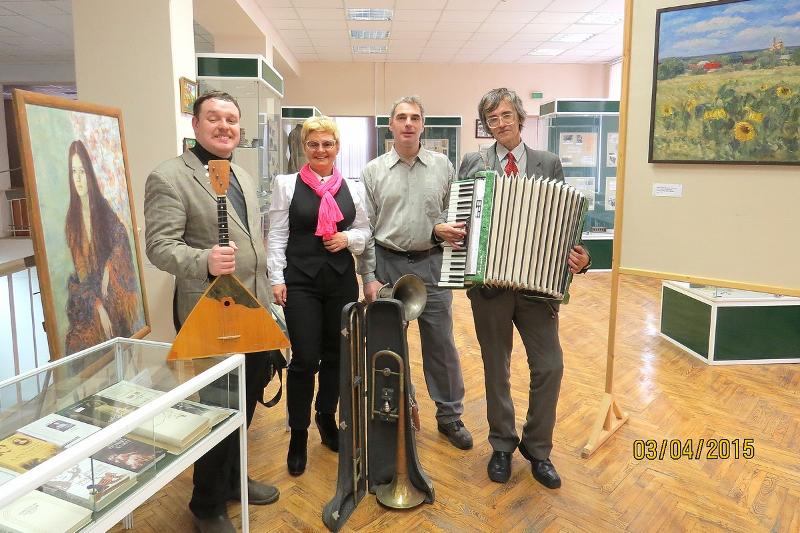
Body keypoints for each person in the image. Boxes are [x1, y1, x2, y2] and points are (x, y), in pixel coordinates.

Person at [144, 91, 279, 533]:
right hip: (210, 312)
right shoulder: (169, 177)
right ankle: (206, 504)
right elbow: (159, 246)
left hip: (253, 307)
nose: (225, 127)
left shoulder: (241, 174)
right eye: (215, 118)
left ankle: (233, 479)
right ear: (196, 125)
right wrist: (203, 260)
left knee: (248, 399)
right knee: (218, 407)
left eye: (232, 120)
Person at [458, 88, 591, 489]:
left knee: (550, 366)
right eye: (491, 119)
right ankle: (501, 445)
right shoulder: (473, 163)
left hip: (537, 286)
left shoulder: (548, 163)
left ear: (520, 117)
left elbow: (566, 222)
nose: (499, 124)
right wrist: (453, 237)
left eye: (505, 115)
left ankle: (538, 448)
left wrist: (581, 259)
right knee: (496, 368)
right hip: (489, 285)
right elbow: (460, 221)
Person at [358, 95, 473, 450]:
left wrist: (442, 228)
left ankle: (449, 415)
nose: (408, 124)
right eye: (401, 117)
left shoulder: (443, 166)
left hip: (432, 264)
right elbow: (366, 228)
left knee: (441, 344)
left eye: (415, 118)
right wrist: (368, 277)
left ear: (423, 124)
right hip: (387, 265)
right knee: (389, 344)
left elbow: (453, 214)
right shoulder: (373, 171)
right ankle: (397, 411)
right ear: (390, 125)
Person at [268, 116, 370, 476]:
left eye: (327, 144)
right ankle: (298, 433)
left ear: (337, 147)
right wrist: (276, 278)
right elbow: (277, 235)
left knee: (336, 355)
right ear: (305, 147)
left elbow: (364, 231)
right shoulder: (286, 185)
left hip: (340, 281)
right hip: (300, 282)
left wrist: (348, 238)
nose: (321, 150)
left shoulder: (353, 188)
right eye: (314, 144)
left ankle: (326, 416)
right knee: (305, 359)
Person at [64, 139, 140, 355]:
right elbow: (82, 278)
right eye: (74, 172)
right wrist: (97, 306)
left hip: (111, 291)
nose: (78, 179)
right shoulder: (72, 222)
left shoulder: (102, 209)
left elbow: (121, 238)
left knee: (119, 328)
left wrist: (109, 267)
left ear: (89, 173)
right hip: (87, 297)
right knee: (80, 343)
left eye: (82, 171)